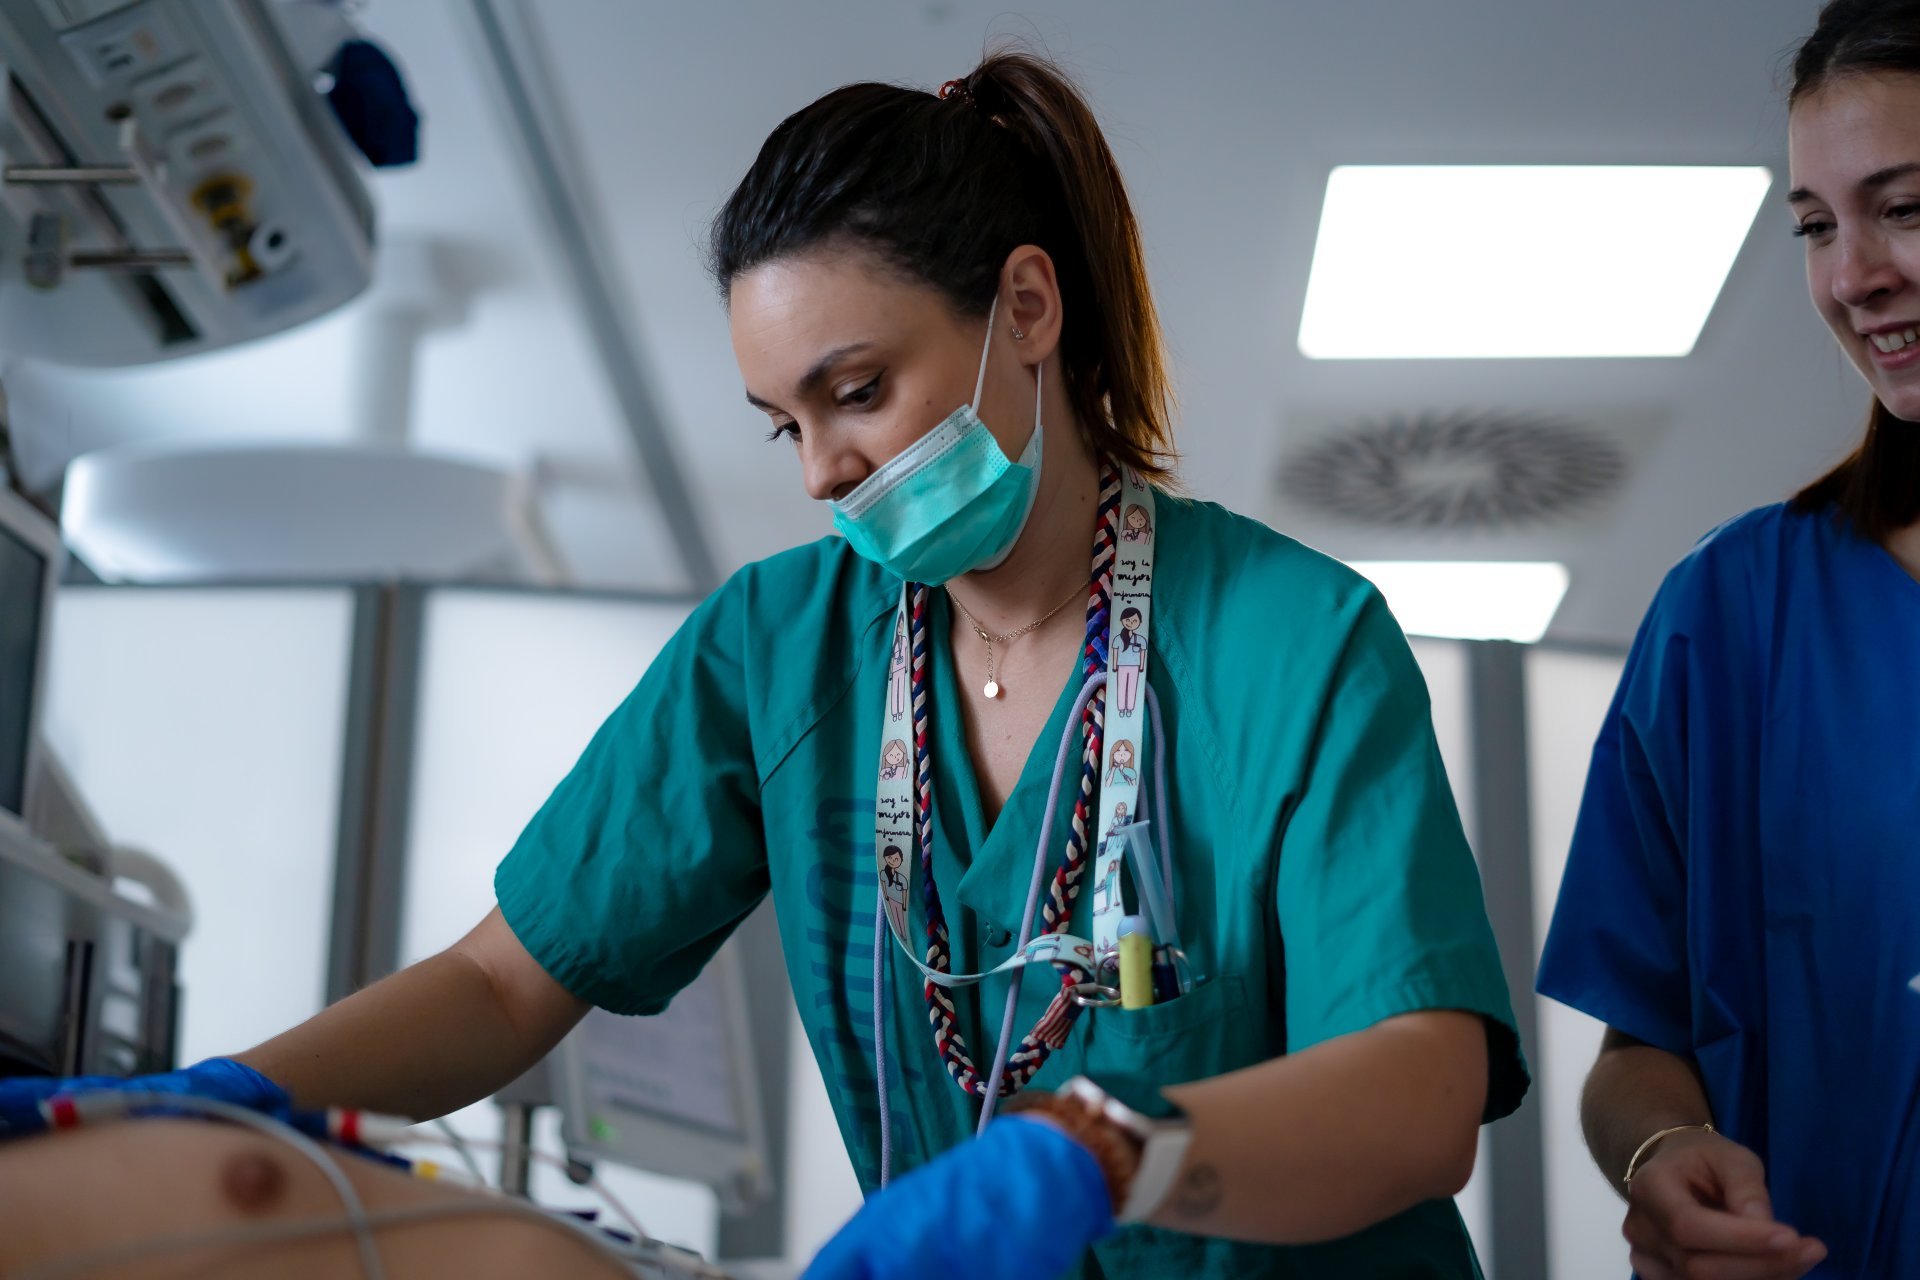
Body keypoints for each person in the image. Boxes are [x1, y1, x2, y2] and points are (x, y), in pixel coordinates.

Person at [1, 50, 1525, 1279]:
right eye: (784, 422)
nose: (821, 471)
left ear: (1027, 307)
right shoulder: (781, 647)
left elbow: (1418, 1093)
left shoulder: (1295, 645)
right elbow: (499, 979)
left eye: (855, 391)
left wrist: (1106, 1150)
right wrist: (213, 1102)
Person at [1536, 4, 1920, 1277]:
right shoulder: (1730, 616)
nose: (1851, 273)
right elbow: (1635, 1052)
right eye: (1817, 226)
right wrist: (1659, 1156)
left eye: (1904, 207)